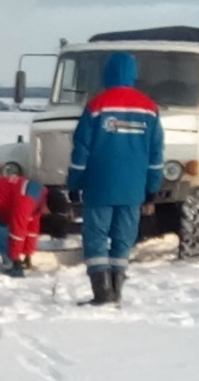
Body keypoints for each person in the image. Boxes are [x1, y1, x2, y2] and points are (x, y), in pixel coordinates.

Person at [66, 52, 164, 306]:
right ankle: (117, 290)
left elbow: (81, 150)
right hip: (133, 188)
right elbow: (156, 153)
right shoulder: (150, 108)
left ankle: (102, 292)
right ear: (133, 74)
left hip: (99, 185)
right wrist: (152, 186)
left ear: (107, 73)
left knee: (96, 236)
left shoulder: (96, 105)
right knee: (124, 237)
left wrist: (74, 182)